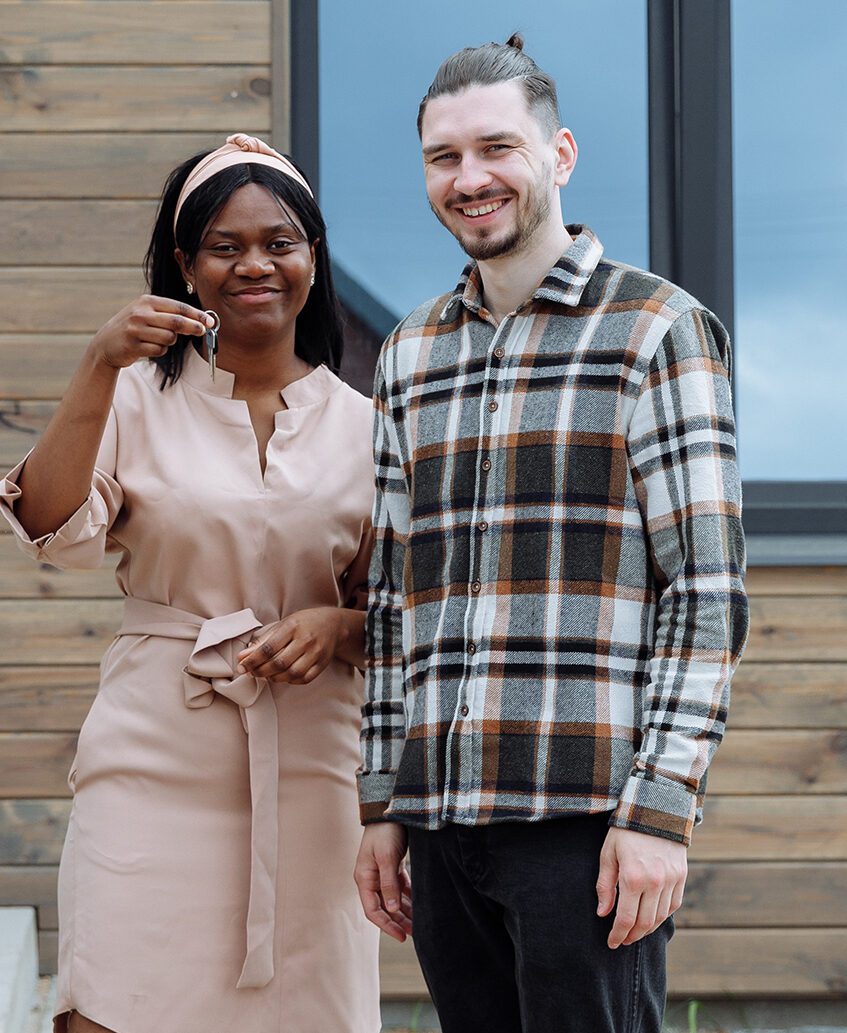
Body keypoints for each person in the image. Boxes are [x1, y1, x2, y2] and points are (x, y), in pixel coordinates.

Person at [354, 36, 749, 1033]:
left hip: (584, 823)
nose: (470, 177)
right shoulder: (408, 354)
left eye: (496, 148)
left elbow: (704, 595)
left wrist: (658, 812)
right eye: (445, 158)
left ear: (559, 155)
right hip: (443, 819)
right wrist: (382, 802)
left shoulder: (656, 330)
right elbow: (395, 597)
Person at [1, 134, 380, 1033]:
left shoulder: (368, 424)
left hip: (310, 764)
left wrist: (333, 625)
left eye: (279, 242)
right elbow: (50, 527)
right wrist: (98, 362)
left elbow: (395, 606)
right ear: (186, 266)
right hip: (151, 756)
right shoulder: (133, 396)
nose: (255, 263)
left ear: (313, 259)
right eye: (225, 245)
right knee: (110, 1001)